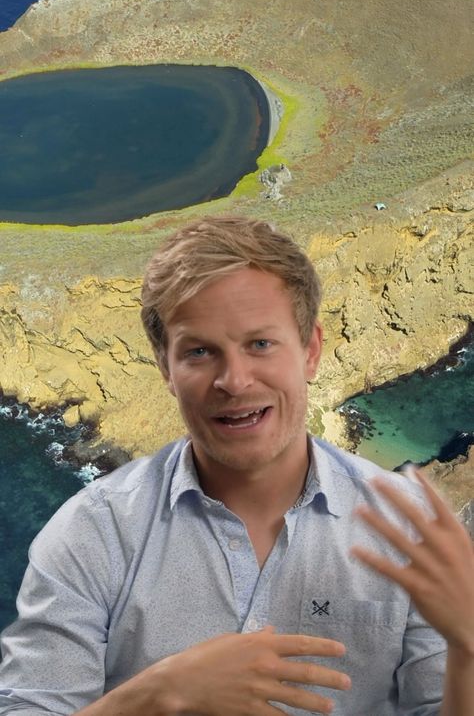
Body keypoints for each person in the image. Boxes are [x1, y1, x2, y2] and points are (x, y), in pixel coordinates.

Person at [0, 215, 472, 716]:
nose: (234, 380)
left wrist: (467, 653)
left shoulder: (413, 526)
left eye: (260, 344)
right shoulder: (93, 533)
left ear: (310, 350)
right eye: (201, 352)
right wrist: (157, 696)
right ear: (166, 369)